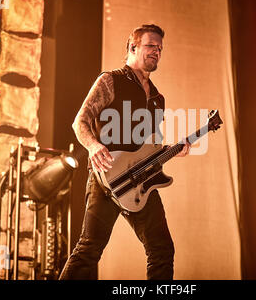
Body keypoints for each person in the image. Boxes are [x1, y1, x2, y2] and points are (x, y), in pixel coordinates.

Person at [59, 24, 190, 280]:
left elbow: (148, 147)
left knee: (162, 249)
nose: (157, 52)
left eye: (160, 49)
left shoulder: (157, 99)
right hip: (106, 178)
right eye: (151, 46)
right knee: (89, 250)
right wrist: (94, 145)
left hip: (142, 182)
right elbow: (80, 121)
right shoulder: (111, 80)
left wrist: (174, 150)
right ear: (132, 47)